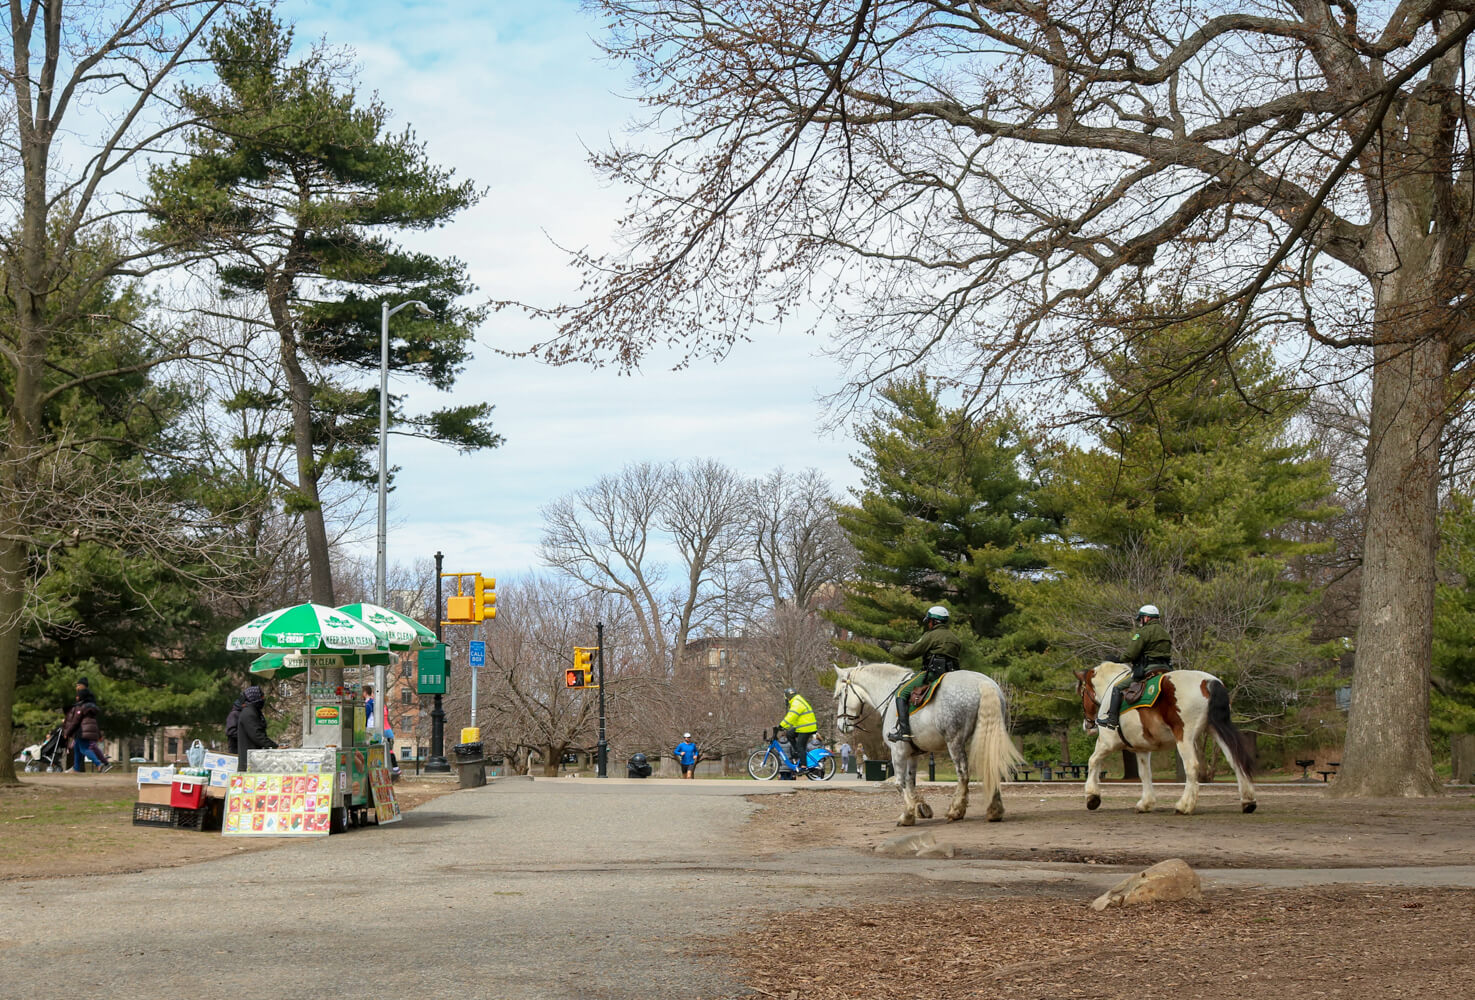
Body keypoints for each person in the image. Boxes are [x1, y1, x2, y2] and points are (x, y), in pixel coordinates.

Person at [886, 606, 962, 742]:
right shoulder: (955, 638)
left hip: (933, 674)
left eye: (929, 621)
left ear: (933, 621)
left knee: (900, 693)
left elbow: (907, 653)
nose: (928, 624)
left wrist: (891, 650)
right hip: (952, 673)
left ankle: (904, 732)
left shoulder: (931, 635)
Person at [1095, 604, 1173, 732]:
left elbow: (1131, 654)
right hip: (1166, 668)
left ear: (1147, 618)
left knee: (1117, 687)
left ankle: (1112, 719)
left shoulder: (1143, 633)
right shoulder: (1165, 634)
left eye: (1141, 619)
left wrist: (1117, 659)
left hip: (1149, 669)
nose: (1140, 622)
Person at [63, 681, 110, 773]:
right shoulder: (90, 707)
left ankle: (98, 764)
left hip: (82, 731)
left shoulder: (81, 707)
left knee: (84, 749)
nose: (76, 697)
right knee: (76, 748)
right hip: (89, 730)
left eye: (78, 696)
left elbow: (75, 721)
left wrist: (67, 732)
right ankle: (76, 768)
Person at [235, 685, 277, 771]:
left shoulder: (253, 711)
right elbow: (257, 735)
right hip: (249, 762)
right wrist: (274, 746)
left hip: (254, 760)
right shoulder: (249, 714)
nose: (263, 699)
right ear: (255, 698)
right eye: (261, 696)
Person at [780, 687, 818, 775]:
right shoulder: (796, 700)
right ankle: (798, 752)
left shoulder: (796, 702)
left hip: (806, 727)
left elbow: (791, 716)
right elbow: (793, 719)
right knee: (789, 734)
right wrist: (785, 727)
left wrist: (781, 725)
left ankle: (803, 766)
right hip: (802, 726)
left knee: (800, 745)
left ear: (787, 696)